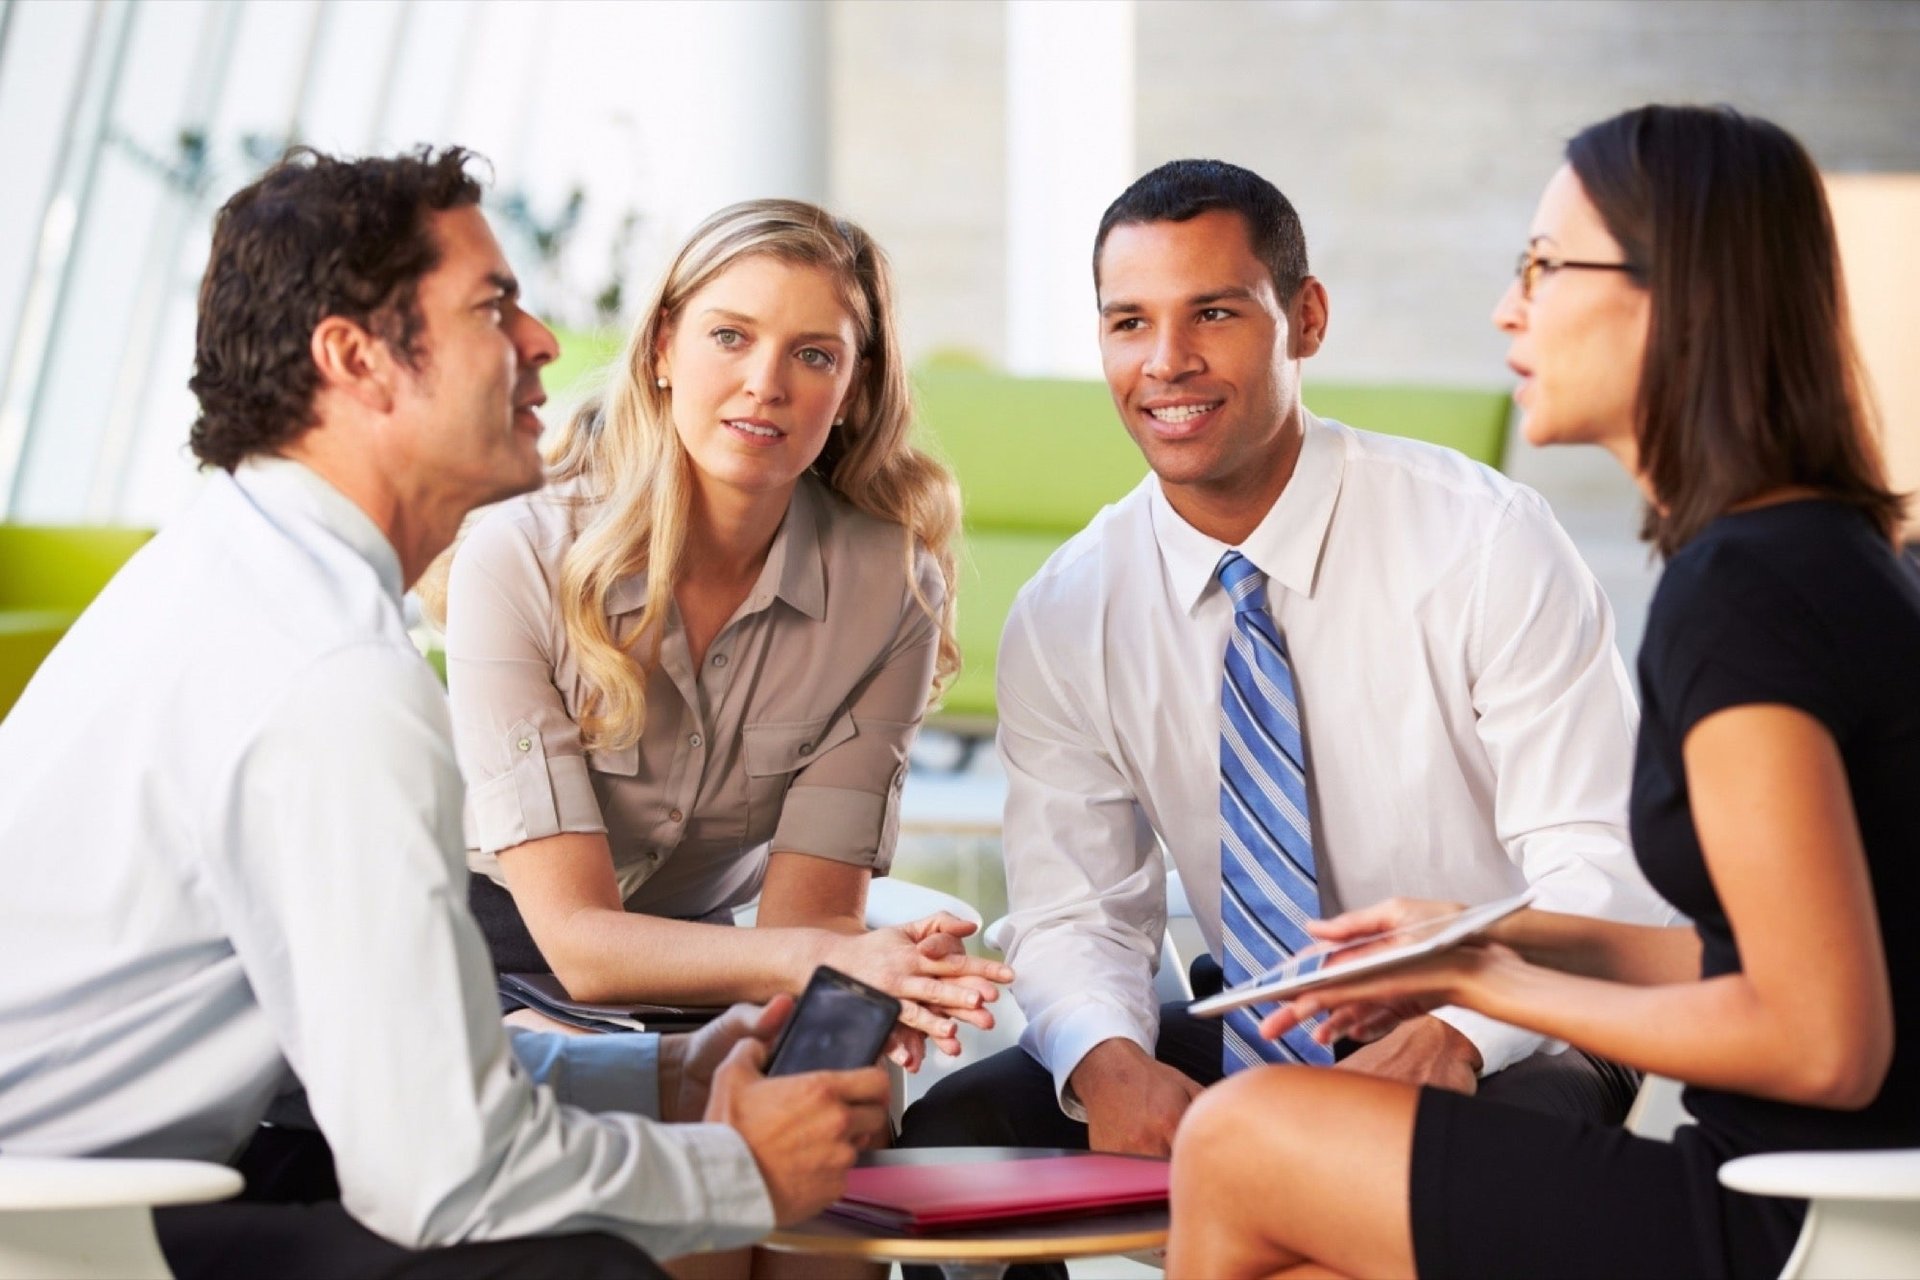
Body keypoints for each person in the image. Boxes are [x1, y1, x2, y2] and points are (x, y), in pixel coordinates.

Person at [0, 148, 894, 1280]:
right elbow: (445, 1173)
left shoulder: (238, 577)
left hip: (120, 1187)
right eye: (492, 308)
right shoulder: (330, 675)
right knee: (587, 1267)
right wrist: (739, 1168)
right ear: (356, 360)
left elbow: (384, 1065)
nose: (543, 341)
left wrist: (665, 1074)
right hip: (56, 1225)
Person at [1167, 104, 1920, 1280]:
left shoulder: (1741, 595)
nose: (1508, 309)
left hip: (1792, 1222)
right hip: (1839, 1202)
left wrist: (1490, 983)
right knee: (1304, 1243)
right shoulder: (1835, 555)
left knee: (1238, 1136)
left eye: (1545, 266)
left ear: (1681, 297)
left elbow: (1824, 1040)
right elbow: (1782, 962)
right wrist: (1493, 928)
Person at [899, 157, 1677, 1185]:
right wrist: (1109, 1065)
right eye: (1129, 322)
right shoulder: (1069, 608)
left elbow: (1599, 862)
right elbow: (1076, 907)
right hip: (1261, 1011)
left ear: (1305, 319)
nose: (1166, 361)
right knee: (955, 1134)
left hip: (1522, 1019)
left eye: (1213, 313)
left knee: (1442, 1165)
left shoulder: (1486, 540)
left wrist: (1457, 1030)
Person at [436, 198, 1011, 1065]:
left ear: (853, 390)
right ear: (664, 348)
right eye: (730, 336)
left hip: (705, 968)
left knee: (838, 1098)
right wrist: (827, 963)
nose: (765, 384)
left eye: (813, 355)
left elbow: (810, 920)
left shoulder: (888, 589)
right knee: (599, 1083)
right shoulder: (521, 555)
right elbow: (581, 945)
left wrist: (890, 975)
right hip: (473, 953)